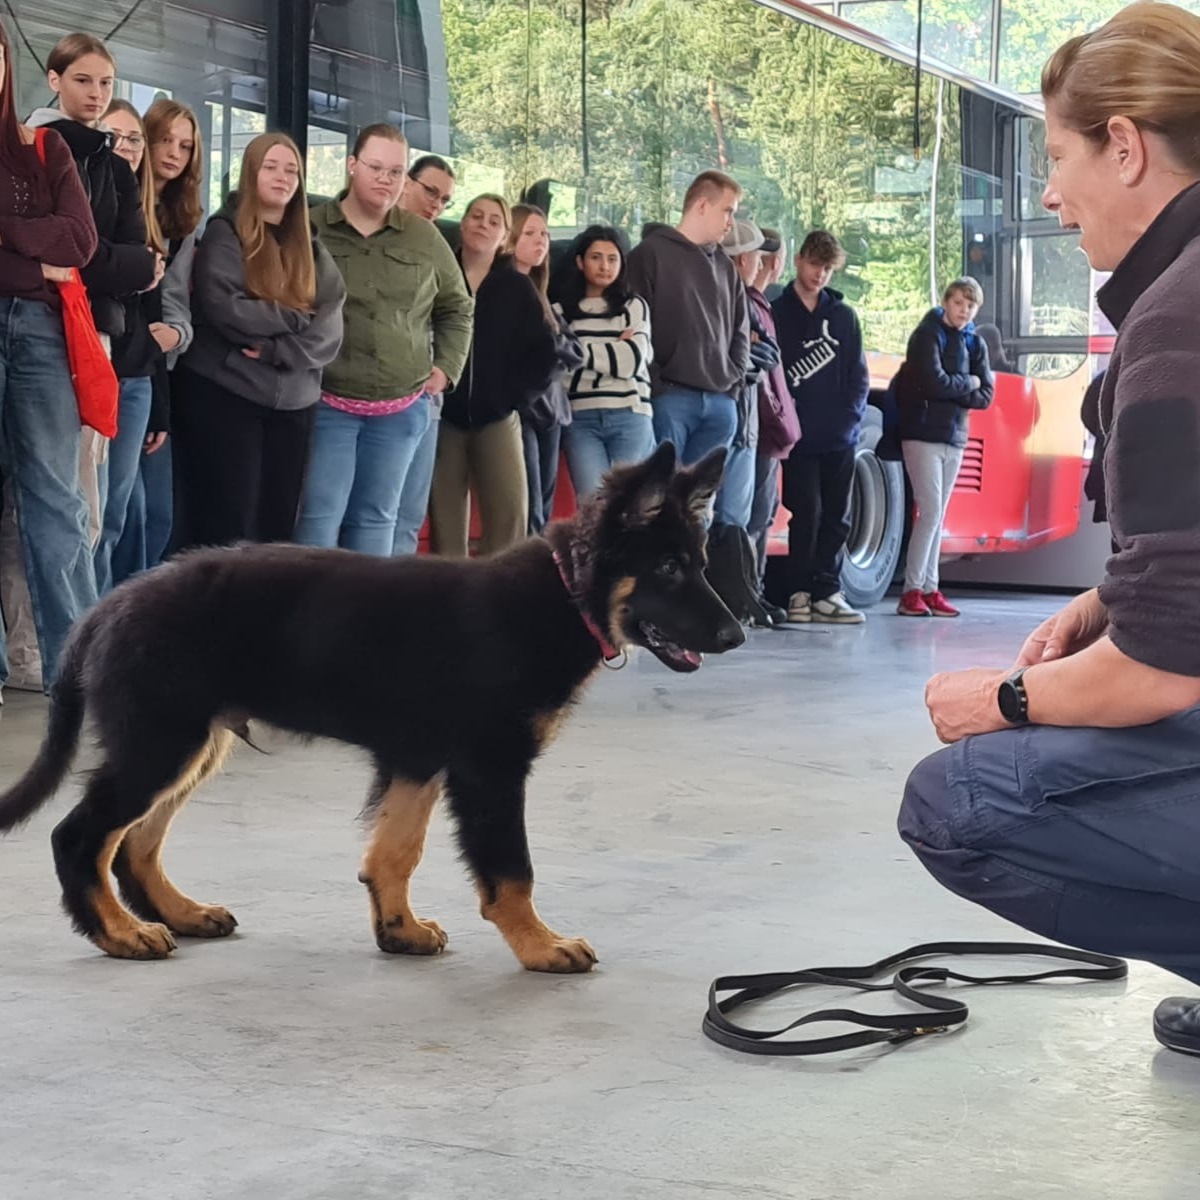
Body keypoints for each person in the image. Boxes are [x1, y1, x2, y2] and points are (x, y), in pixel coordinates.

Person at [897, 0, 1200, 1058]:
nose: (1050, 197)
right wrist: (1117, 592)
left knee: (961, 801)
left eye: (1058, 156)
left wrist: (1003, 698)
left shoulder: (1177, 324)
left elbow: (1167, 673)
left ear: (1124, 146)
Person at [296, 124, 472, 556]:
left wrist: (445, 371)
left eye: (396, 172)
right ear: (352, 166)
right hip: (325, 402)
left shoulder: (423, 236)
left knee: (377, 522)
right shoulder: (308, 228)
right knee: (317, 520)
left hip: (401, 409)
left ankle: (367, 623)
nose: (385, 179)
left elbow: (457, 308)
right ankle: (309, 620)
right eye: (376, 167)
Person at [174, 132, 345, 547]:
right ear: (251, 173)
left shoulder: (313, 247)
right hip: (227, 396)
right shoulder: (224, 231)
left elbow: (330, 328)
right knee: (225, 526)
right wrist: (292, 314)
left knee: (278, 532)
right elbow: (226, 308)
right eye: (271, 166)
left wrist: (278, 348)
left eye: (292, 170)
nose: (283, 177)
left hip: (296, 406)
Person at [0, 18, 98, 695]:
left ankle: (81, 665)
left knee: (57, 501)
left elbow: (80, 242)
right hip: (37, 302)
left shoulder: (43, 148)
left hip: (39, 332)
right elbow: (54, 251)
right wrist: (38, 266)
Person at [428, 194, 558, 556]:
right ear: (463, 223)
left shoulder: (516, 286)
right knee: (446, 526)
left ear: (505, 236)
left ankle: (499, 604)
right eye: (476, 216)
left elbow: (545, 353)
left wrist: (512, 398)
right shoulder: (439, 275)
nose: (483, 224)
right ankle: (446, 607)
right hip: (443, 418)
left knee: (508, 523)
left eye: (494, 221)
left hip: (497, 419)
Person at [116, 96, 203, 569]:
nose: (173, 152)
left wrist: (176, 337)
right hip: (120, 365)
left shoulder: (181, 221)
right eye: (164, 140)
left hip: (155, 372)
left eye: (185, 146)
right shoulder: (118, 198)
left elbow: (176, 311)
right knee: (124, 515)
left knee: (158, 518)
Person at [771, 230, 869, 624]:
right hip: (797, 436)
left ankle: (827, 589)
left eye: (828, 268)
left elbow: (857, 375)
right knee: (806, 511)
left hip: (839, 435)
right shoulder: (777, 313)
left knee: (837, 515)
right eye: (815, 265)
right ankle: (797, 591)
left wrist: (850, 418)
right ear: (799, 260)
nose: (820, 274)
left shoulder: (843, 317)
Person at [92, 98, 166, 594]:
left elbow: (156, 322)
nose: (126, 148)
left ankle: (108, 623)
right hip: (95, 369)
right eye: (114, 137)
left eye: (135, 138)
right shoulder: (89, 198)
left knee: (117, 512)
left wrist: (160, 406)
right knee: (93, 515)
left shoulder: (148, 215)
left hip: (138, 376)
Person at [625, 170, 749, 466]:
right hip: (670, 397)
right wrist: (657, 386)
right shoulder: (650, 254)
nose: (731, 223)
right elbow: (634, 323)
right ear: (702, 205)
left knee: (699, 505)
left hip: (720, 400)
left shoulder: (725, 266)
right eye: (728, 211)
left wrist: (733, 384)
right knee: (659, 497)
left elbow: (740, 329)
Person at [894, 277, 994, 619]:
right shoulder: (926, 335)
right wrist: (968, 382)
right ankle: (912, 590)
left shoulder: (975, 344)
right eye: (958, 303)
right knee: (931, 511)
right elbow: (932, 382)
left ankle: (930, 588)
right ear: (945, 302)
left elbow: (987, 395)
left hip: (955, 437)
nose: (963, 311)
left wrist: (958, 388)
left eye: (970, 306)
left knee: (938, 515)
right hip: (922, 434)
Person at [392, 152, 459, 553]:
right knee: (367, 511)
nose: (436, 204)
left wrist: (445, 369)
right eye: (431, 192)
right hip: (364, 395)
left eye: (445, 199)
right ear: (405, 182)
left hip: (424, 398)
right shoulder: (370, 230)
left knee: (407, 515)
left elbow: (459, 311)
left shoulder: (437, 246)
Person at [558, 224, 654, 500]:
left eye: (613, 259)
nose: (604, 266)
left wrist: (577, 349)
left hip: (629, 414)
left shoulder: (633, 306)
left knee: (631, 505)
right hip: (580, 418)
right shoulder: (560, 311)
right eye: (596, 257)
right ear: (580, 261)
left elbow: (632, 362)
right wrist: (613, 348)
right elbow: (561, 372)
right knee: (592, 504)